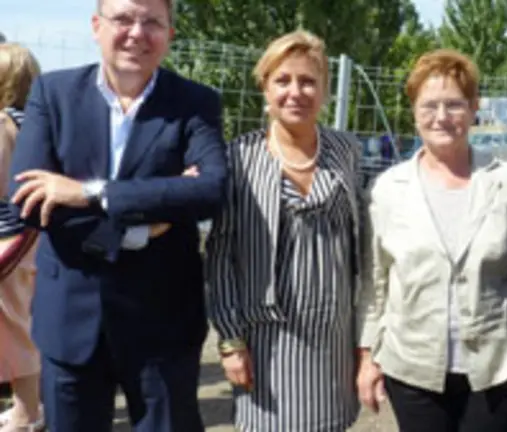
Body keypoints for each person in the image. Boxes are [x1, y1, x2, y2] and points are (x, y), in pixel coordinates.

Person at [7, 0, 228, 430]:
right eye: (123, 19)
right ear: (96, 26)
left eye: (152, 22)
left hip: (163, 327)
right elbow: (28, 202)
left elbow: (210, 190)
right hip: (70, 321)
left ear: (170, 34)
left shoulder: (195, 103)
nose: (137, 33)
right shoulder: (52, 94)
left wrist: (87, 192)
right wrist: (144, 225)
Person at [356, 48, 507, 432]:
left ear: (473, 109)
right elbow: (376, 282)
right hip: (414, 368)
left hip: (496, 369)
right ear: (414, 112)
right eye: (429, 105)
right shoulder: (388, 190)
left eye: (454, 105)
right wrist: (368, 357)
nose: (441, 117)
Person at [205, 29, 362, 432]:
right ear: (265, 89)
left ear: (325, 89)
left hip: (334, 340)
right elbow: (222, 256)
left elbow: (361, 246)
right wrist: (230, 341)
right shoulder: (239, 157)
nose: (296, 91)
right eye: (283, 80)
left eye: (308, 81)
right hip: (267, 343)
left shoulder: (347, 151)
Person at [0, 42, 44, 432]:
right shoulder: (37, 122)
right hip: (35, 241)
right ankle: (28, 409)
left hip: (6, 244)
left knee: (14, 331)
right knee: (25, 326)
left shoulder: (2, 126)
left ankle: (26, 415)